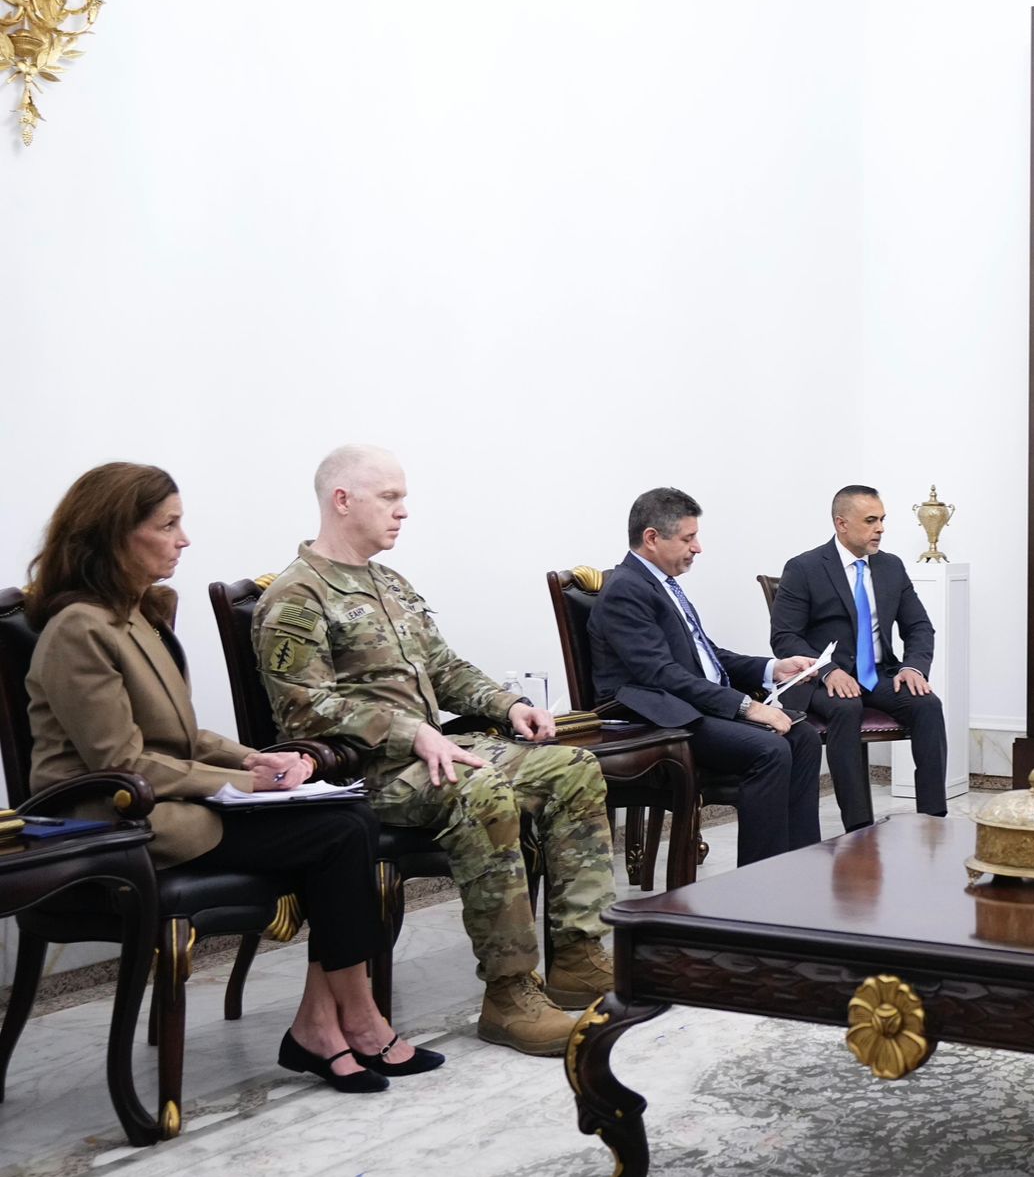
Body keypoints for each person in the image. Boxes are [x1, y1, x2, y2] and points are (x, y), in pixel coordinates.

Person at [25, 463, 441, 1094]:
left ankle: (326, 1022)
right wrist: (247, 787)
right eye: (168, 525)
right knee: (339, 830)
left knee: (347, 818)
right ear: (114, 534)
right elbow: (123, 762)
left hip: (164, 801)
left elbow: (181, 735)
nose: (184, 539)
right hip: (114, 818)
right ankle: (352, 1021)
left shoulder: (135, 615)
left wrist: (253, 760)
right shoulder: (79, 628)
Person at [253, 445, 614, 1058]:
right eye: (389, 498)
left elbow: (444, 668)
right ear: (343, 500)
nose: (403, 511)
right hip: (367, 772)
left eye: (403, 498)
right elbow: (303, 709)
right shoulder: (296, 596)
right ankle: (509, 993)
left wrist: (507, 705)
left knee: (573, 768)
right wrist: (406, 731)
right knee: (480, 792)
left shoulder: (390, 583)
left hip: (433, 754)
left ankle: (578, 957)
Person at [588, 487, 823, 865]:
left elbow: (705, 655)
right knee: (770, 748)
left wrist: (772, 668)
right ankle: (761, 879)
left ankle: (799, 865)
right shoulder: (626, 590)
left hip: (688, 706)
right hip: (656, 718)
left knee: (804, 737)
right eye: (688, 538)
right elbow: (661, 674)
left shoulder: (661, 584)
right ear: (652, 538)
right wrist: (747, 707)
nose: (697, 548)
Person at [770, 485, 947, 831]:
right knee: (846, 707)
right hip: (820, 680)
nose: (880, 528)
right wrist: (827, 670)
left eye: (882, 520)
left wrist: (913, 667)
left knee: (927, 704)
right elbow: (784, 637)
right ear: (842, 523)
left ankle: (933, 820)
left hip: (878, 674)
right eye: (870, 520)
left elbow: (919, 626)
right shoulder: (804, 568)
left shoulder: (891, 567)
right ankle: (859, 829)